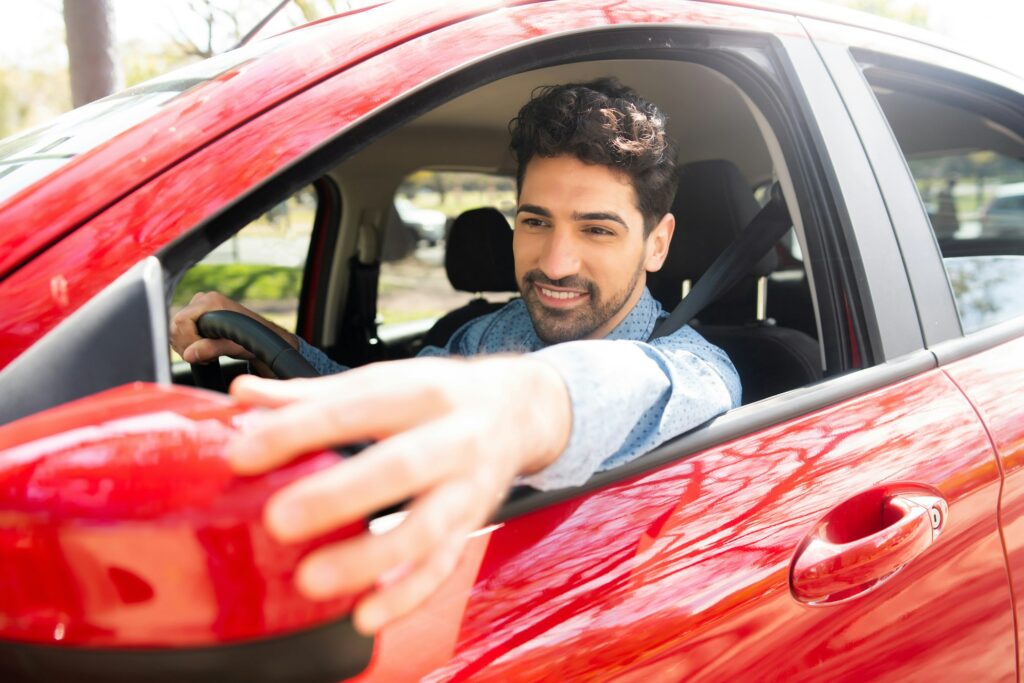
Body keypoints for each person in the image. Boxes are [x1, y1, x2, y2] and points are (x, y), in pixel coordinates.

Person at [170, 78, 740, 634]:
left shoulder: (697, 369)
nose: (557, 262)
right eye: (536, 221)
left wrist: (522, 406)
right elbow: (380, 411)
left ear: (657, 243)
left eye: (597, 230)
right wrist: (270, 341)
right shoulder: (488, 333)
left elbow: (640, 385)